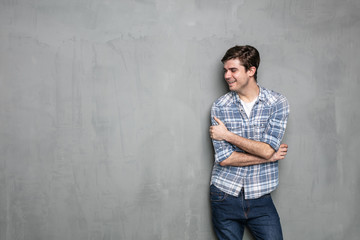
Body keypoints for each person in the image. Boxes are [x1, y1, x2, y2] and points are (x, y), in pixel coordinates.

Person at [209, 45, 290, 240]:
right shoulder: (220, 106)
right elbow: (225, 159)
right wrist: (269, 158)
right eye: (225, 70)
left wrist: (228, 136)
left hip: (261, 196)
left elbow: (267, 149)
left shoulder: (277, 103)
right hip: (224, 194)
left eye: (233, 70)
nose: (227, 76)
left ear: (251, 70)